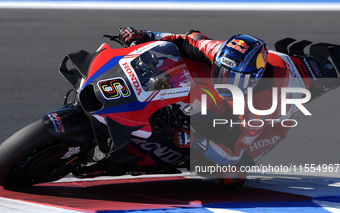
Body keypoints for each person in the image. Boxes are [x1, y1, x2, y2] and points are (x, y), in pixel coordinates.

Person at [117, 27, 329, 186]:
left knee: (231, 175)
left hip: (267, 124)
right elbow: (183, 40)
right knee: (192, 44)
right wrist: (144, 35)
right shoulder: (223, 53)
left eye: (235, 78)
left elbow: (233, 151)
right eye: (222, 72)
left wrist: (195, 141)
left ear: (255, 78)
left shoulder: (264, 105)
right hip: (256, 76)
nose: (225, 81)